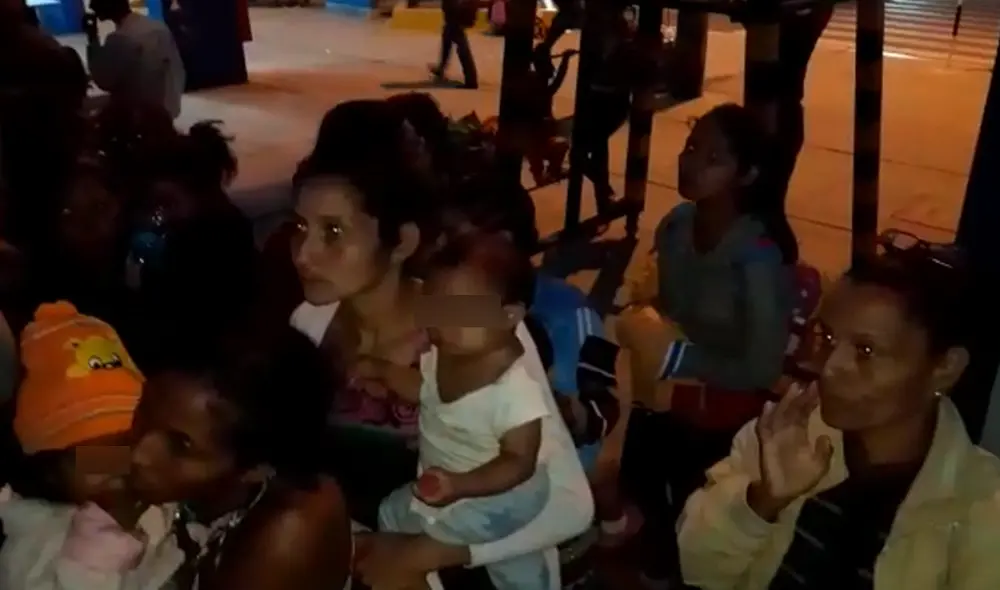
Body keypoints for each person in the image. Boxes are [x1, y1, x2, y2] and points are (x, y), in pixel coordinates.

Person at [677, 249, 1000, 590]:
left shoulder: (981, 507)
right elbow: (696, 569)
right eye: (828, 338)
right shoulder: (785, 437)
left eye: (866, 351)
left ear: (944, 368)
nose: (829, 368)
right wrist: (761, 502)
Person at [613, 102, 797, 585]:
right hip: (664, 397)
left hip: (722, 420)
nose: (692, 162)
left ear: (747, 174)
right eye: (692, 148)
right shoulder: (676, 225)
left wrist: (678, 358)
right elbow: (660, 306)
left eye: (714, 157)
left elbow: (761, 368)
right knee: (643, 497)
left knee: (700, 526)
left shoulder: (757, 255)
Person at [379, 233, 573, 590]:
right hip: (448, 478)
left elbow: (518, 461)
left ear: (508, 316)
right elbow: (427, 393)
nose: (441, 325)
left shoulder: (512, 390)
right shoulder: (444, 352)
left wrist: (461, 485)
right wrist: (383, 373)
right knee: (390, 515)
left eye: (463, 312)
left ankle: (529, 563)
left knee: (506, 564)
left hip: (503, 496)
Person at [128, 326, 353, 590]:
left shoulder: (286, 536)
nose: (138, 454)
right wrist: (76, 469)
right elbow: (83, 461)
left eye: (179, 446)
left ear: (255, 468)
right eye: (143, 411)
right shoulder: (168, 440)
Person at [0, 301, 157, 589]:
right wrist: (95, 556)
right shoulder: (37, 537)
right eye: (96, 458)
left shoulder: (144, 504)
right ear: (50, 468)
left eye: (127, 446)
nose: (120, 465)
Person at [86, 0, 186, 119]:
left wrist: (92, 39)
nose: (91, 6)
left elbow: (103, 80)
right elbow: (177, 69)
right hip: (167, 106)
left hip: (136, 115)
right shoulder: (158, 27)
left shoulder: (119, 40)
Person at [429, 0, 479, 90]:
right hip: (455, 10)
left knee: (461, 44)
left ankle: (471, 80)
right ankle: (441, 68)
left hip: (457, 11)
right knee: (447, 34)